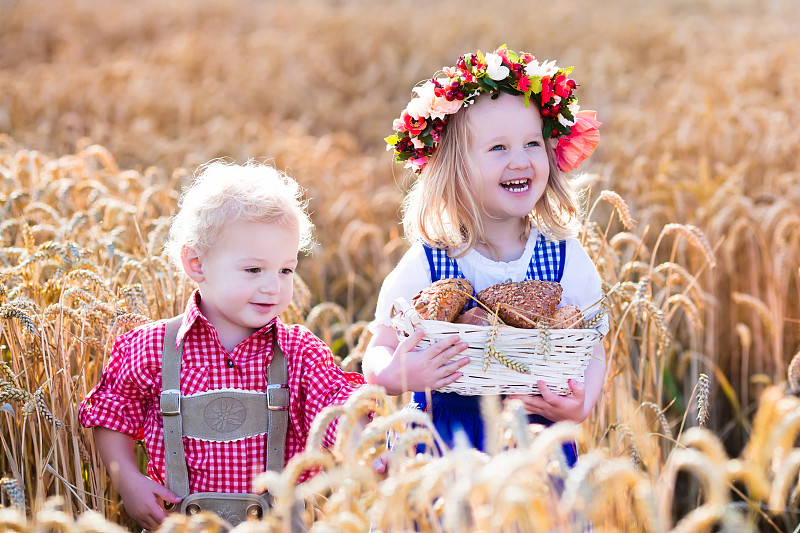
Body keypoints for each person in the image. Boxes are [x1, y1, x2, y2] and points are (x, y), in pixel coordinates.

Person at [80, 161, 366, 530]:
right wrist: (129, 481)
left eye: (286, 269)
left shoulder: (298, 353)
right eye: (253, 270)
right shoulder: (153, 348)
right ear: (197, 264)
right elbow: (111, 414)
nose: (273, 287)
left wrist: (366, 450)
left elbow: (336, 409)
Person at [363, 45, 608, 462]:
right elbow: (380, 345)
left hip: (535, 434)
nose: (521, 161)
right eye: (498, 148)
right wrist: (394, 374)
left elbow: (592, 343)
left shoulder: (564, 256)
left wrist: (581, 401)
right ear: (454, 168)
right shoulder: (432, 261)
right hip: (443, 439)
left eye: (532, 143)